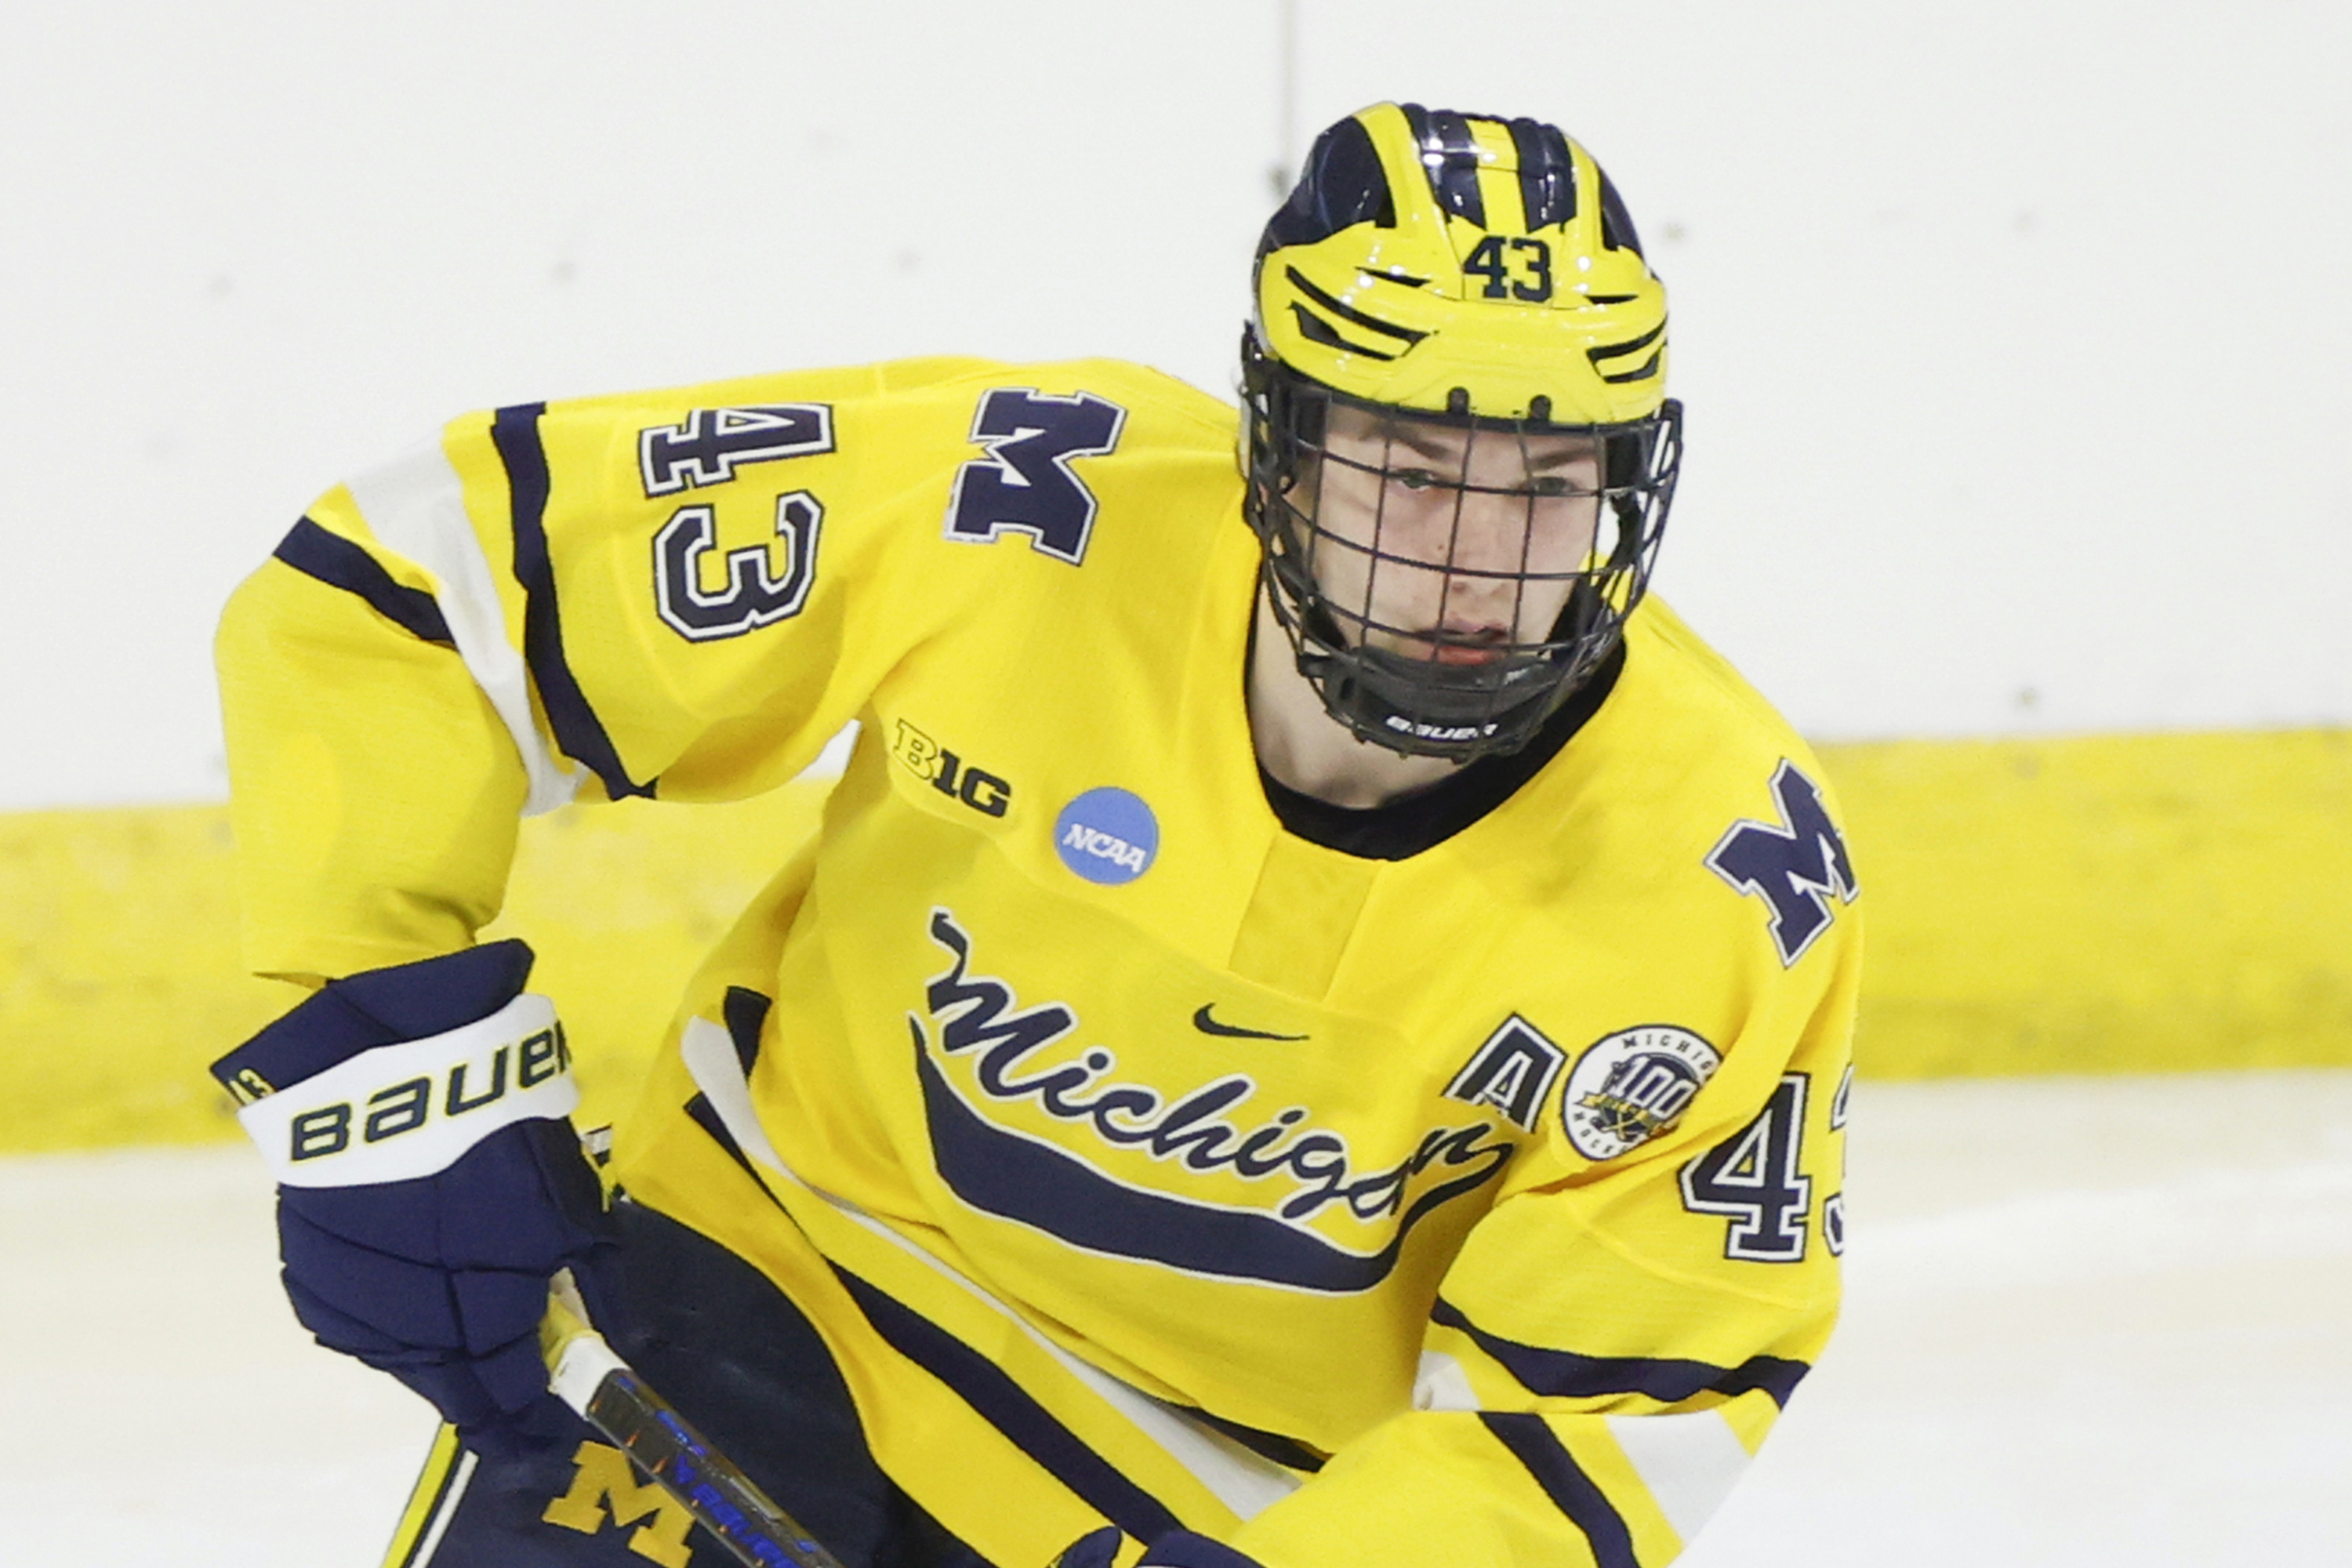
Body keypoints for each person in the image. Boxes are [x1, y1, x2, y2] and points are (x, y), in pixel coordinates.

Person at [211, 102, 1862, 1568]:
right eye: (1409, 469)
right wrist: (384, 1088)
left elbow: (1622, 1401)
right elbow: (407, 598)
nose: (1473, 565)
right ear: (1280, 446)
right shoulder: (1022, 505)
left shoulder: (1729, 874)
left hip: (1207, 1500)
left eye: (1549, 484)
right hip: (766, 1282)